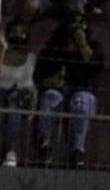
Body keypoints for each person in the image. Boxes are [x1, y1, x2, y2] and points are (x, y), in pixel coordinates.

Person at [35, 14, 103, 167]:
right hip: (58, 90)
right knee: (50, 97)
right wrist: (49, 81)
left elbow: (95, 68)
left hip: (81, 90)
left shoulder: (93, 47)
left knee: (81, 102)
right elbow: (39, 74)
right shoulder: (53, 48)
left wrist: (82, 44)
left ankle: (77, 150)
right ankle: (45, 145)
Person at [0, 21, 38, 166]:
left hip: (18, 94)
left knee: (13, 110)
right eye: (13, 32)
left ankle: (11, 151)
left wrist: (19, 91)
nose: (17, 35)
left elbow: (28, 82)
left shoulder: (30, 57)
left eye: (21, 32)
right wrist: (2, 51)